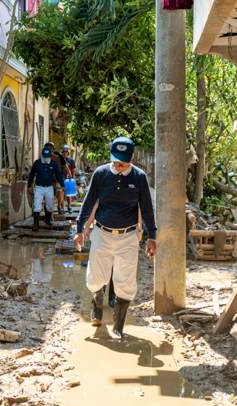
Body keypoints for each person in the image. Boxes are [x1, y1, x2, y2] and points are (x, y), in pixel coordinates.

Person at [74, 137, 157, 339]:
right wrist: (79, 228)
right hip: (101, 234)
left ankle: (118, 326)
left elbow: (146, 209)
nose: (119, 167)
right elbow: (88, 202)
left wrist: (151, 237)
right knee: (96, 278)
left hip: (128, 237)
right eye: (116, 162)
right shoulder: (100, 173)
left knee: (125, 281)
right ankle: (97, 306)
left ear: (132, 158)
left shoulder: (139, 177)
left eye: (124, 163)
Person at [28, 146, 64, 231]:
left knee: (49, 205)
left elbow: (58, 174)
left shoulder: (53, 164)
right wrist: (29, 185)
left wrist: (62, 185)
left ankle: (48, 220)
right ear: (42, 155)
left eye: (48, 157)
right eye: (45, 157)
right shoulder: (37, 163)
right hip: (39, 187)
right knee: (37, 204)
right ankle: (36, 224)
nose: (46, 158)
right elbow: (32, 174)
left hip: (49, 188)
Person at [62, 146, 76, 213]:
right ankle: (62, 208)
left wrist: (72, 179)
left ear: (68, 153)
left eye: (66, 152)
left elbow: (73, 170)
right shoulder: (59, 160)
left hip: (68, 179)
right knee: (61, 194)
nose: (65, 154)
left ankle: (69, 207)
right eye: (63, 152)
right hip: (61, 179)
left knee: (68, 194)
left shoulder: (71, 160)